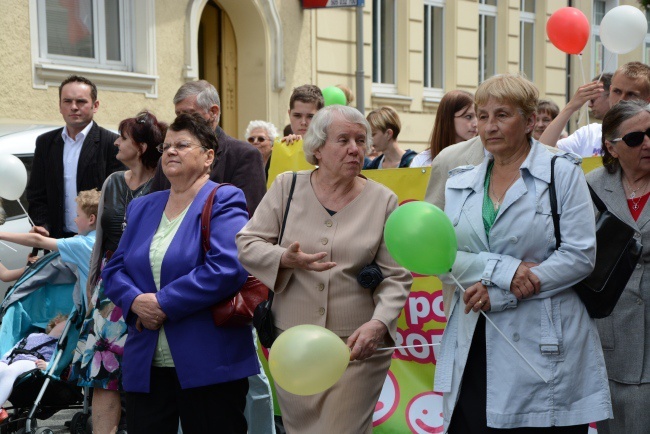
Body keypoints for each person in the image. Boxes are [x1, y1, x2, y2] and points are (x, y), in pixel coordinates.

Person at [434, 73, 612, 432]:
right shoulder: (460, 180)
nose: (489, 126)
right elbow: (443, 259)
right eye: (481, 116)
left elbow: (579, 256)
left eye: (502, 115)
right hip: (475, 336)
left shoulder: (561, 173)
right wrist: (507, 271)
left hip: (543, 338)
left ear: (530, 121)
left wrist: (497, 290)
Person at [236, 105, 412, 434]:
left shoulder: (383, 201)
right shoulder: (287, 187)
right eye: (343, 140)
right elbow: (247, 243)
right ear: (317, 147)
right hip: (295, 345)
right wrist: (284, 258)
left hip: (356, 348)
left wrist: (378, 323)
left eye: (361, 141)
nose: (354, 149)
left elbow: (396, 276)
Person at [102, 113, 258, 434]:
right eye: (167, 146)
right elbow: (115, 268)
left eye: (182, 145)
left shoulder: (224, 198)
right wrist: (135, 301)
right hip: (147, 361)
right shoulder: (143, 206)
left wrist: (161, 303)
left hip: (208, 360)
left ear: (208, 157)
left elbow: (227, 267)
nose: (171, 151)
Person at [71, 111, 166, 434]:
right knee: (103, 376)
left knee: (146, 374)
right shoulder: (112, 182)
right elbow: (100, 240)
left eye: (123, 138)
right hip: (109, 289)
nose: (116, 142)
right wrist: (92, 284)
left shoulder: (164, 183)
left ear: (140, 146)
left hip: (146, 286)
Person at [587, 100, 650, 434]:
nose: (648, 143)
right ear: (611, 147)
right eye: (636, 138)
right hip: (611, 332)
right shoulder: (591, 185)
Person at [26, 75, 122, 239]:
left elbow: (117, 198)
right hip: (56, 239)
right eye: (67, 101)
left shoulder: (111, 143)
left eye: (81, 101)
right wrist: (42, 226)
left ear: (95, 105)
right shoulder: (46, 143)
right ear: (60, 105)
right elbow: (36, 193)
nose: (74, 107)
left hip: (96, 241)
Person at [150, 80, 266, 215]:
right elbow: (153, 210)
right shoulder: (168, 158)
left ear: (213, 112)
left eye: (190, 114)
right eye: (178, 114)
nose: (182, 121)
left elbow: (247, 216)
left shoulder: (243, 155)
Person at [0, 189, 100, 296]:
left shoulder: (81, 243)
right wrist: (30, 268)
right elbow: (5, 275)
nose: (75, 220)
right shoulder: (100, 239)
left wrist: (30, 268)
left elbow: (37, 241)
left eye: (78, 215)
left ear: (91, 219)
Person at [539, 62, 650, 156]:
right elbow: (542, 151)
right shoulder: (589, 134)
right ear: (610, 90)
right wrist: (570, 107)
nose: (621, 99)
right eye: (617, 91)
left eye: (631, 94)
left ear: (647, 99)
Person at [0, 314, 68, 422]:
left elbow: (62, 361)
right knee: (4, 368)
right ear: (57, 321)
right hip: (12, 359)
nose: (69, 328)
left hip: (33, 362)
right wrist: (4, 360)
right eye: (67, 323)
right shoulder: (33, 336)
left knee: (11, 370)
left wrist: (48, 365)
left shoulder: (62, 345)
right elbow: (15, 348)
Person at [411, 90, 477, 167]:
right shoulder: (423, 161)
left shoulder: (485, 156)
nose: (476, 124)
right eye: (468, 117)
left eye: (479, 117)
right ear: (448, 119)